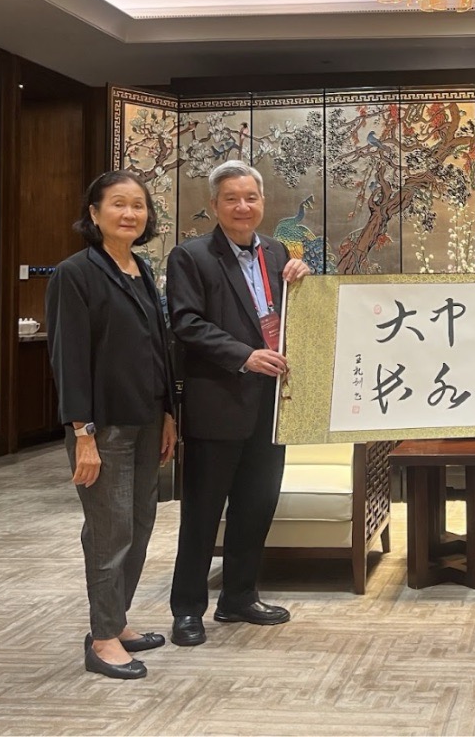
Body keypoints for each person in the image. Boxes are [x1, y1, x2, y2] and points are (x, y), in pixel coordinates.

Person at [167, 160, 310, 647]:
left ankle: (239, 597)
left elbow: (288, 314)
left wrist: (304, 275)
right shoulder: (191, 257)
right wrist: (244, 356)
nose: (242, 206)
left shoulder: (276, 253)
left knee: (255, 507)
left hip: (271, 407)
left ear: (263, 203)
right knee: (203, 514)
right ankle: (187, 609)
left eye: (250, 197)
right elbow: (185, 322)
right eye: (231, 198)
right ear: (214, 206)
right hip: (218, 405)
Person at [47, 170, 178, 680]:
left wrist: (168, 413)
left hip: (147, 419)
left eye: (138, 206)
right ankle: (102, 639)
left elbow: (156, 348)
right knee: (109, 531)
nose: (130, 214)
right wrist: (83, 434)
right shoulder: (74, 273)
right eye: (118, 204)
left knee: (140, 524)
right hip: (103, 426)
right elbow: (69, 359)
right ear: (94, 213)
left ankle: (117, 620)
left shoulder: (140, 269)